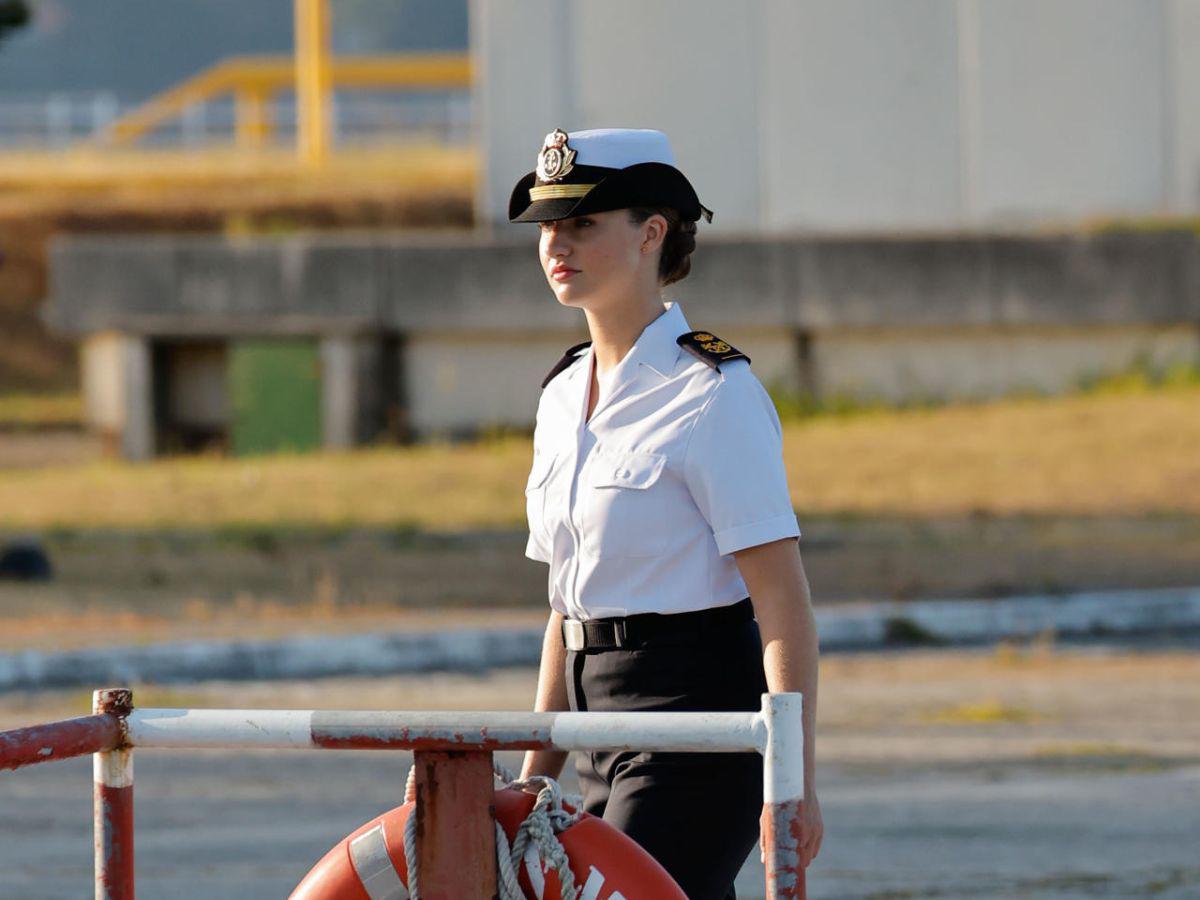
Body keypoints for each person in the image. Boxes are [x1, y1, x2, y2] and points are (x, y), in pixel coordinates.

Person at [510, 127, 823, 899]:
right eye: (549, 225)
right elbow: (566, 607)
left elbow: (782, 603)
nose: (558, 243)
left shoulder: (713, 393)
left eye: (583, 223)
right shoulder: (559, 396)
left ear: (652, 234)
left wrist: (795, 775)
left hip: (695, 723)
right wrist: (529, 778)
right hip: (592, 725)